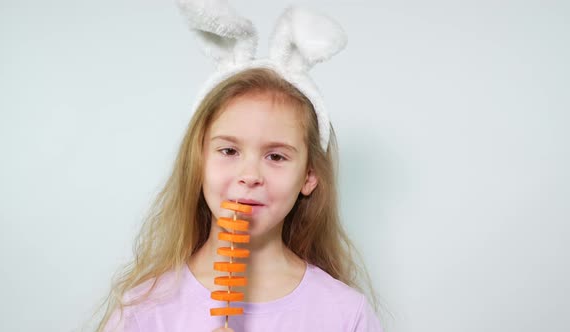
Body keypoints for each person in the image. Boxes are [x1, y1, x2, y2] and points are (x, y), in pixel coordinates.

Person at [96, 1, 384, 331]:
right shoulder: (144, 311)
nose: (249, 176)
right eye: (229, 150)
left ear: (309, 175)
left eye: (276, 156)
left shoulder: (344, 313)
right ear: (198, 161)